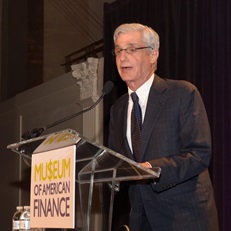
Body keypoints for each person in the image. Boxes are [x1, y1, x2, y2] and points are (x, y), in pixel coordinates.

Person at [108, 23, 219, 231]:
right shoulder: (118, 108)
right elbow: (117, 162)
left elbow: (199, 154)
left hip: (184, 218)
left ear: (153, 55)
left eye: (131, 49)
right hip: (140, 220)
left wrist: (152, 169)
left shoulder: (182, 94)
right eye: (118, 50)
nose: (122, 57)